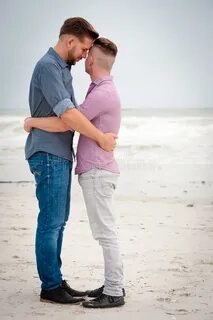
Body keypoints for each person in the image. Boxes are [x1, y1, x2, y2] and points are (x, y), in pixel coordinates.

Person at [25, 37, 125, 308]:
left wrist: (32, 121)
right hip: (88, 167)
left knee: (101, 232)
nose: (83, 56)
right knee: (58, 223)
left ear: (92, 59)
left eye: (86, 52)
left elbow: (70, 119)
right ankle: (55, 284)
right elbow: (71, 118)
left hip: (97, 170)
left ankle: (114, 289)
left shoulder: (102, 92)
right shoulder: (96, 88)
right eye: (82, 49)